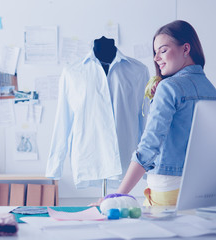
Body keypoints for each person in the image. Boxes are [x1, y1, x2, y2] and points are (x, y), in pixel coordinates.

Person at [91, 20, 216, 207]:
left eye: (163, 50)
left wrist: (117, 195)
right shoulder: (211, 90)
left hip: (168, 188)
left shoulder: (169, 87)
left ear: (186, 49)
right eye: (155, 52)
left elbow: (149, 146)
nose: (156, 58)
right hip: (204, 189)